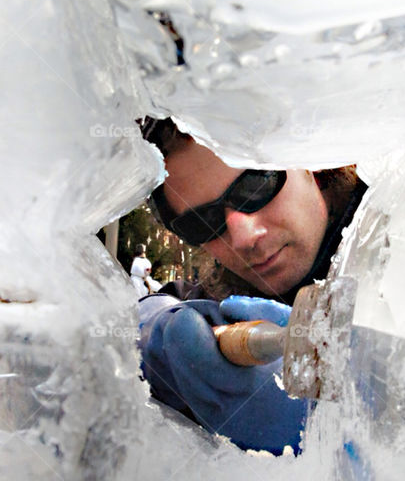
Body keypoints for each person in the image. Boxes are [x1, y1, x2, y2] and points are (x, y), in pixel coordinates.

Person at [136, 118, 366, 454]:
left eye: (255, 187)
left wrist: (336, 431)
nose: (244, 238)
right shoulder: (223, 296)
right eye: (202, 223)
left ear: (311, 159)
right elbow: (159, 306)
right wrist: (153, 329)